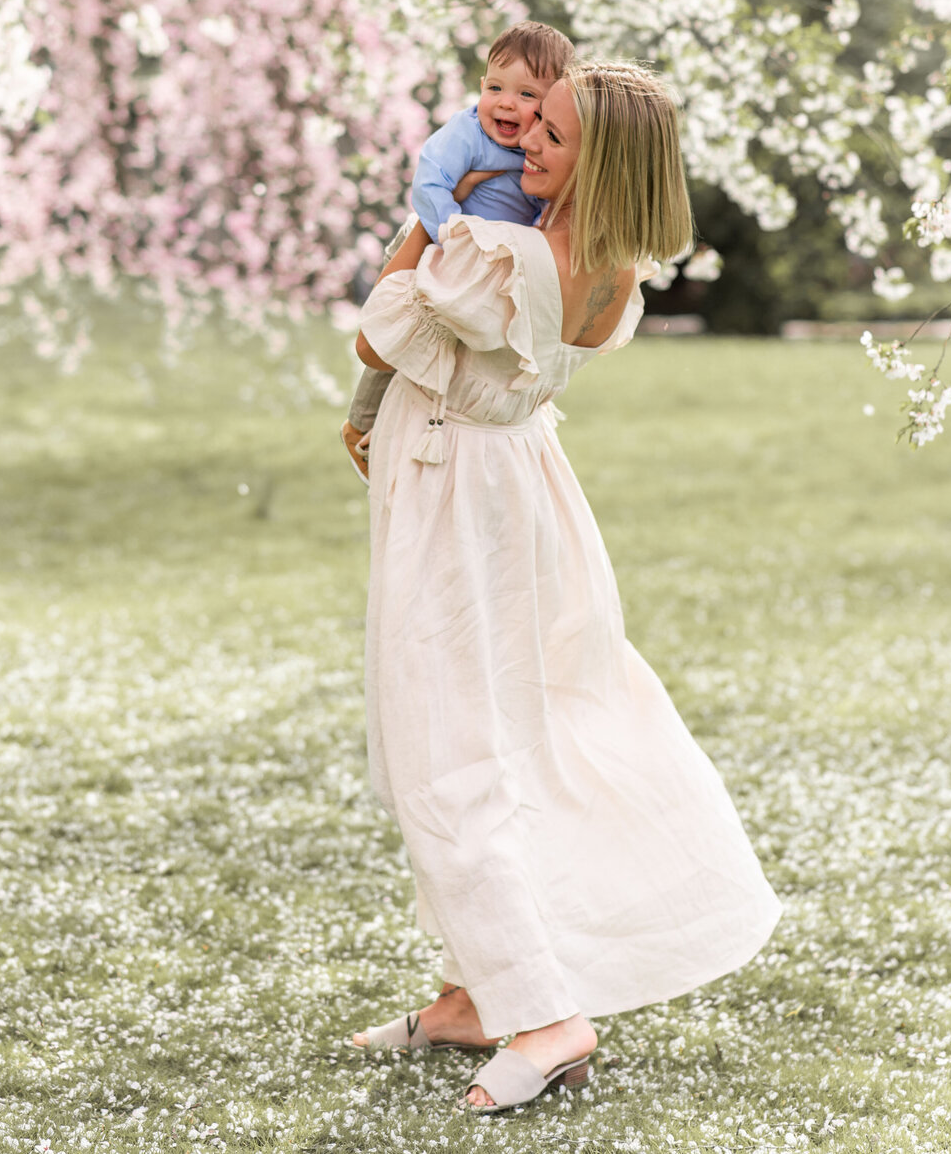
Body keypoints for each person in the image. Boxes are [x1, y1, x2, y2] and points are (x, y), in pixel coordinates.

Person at [349, 61, 781, 1115]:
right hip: (520, 490)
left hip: (457, 492)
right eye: (524, 123)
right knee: (503, 723)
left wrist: (433, 208)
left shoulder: (495, 250)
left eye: (547, 134)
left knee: (449, 745)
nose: (519, 143)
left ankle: (546, 1013)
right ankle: (474, 989)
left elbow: (376, 331)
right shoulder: (612, 271)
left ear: (601, 159)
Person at [339, 20, 574, 485]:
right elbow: (429, 179)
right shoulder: (469, 133)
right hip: (440, 241)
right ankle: (361, 423)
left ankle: (419, 423)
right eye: (494, 87)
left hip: (479, 261)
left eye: (528, 96)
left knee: (446, 344)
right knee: (400, 335)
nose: (506, 103)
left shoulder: (535, 152)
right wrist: (448, 229)